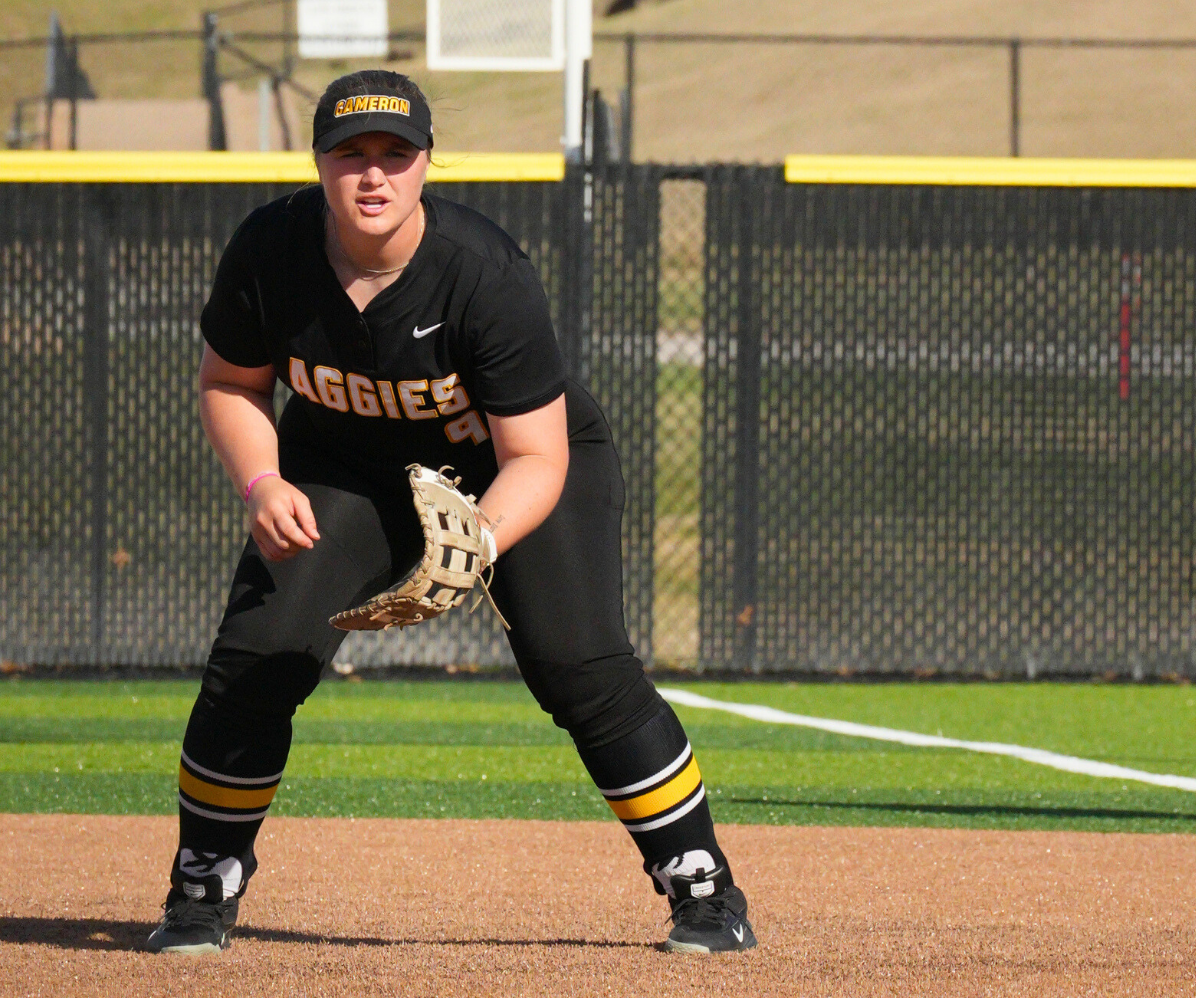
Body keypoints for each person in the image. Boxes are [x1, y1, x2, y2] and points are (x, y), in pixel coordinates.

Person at [142, 70, 755, 956]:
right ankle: (202, 886)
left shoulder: (481, 272)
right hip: (343, 465)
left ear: (428, 164)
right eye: (351, 155)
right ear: (318, 163)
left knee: (578, 665)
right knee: (259, 655)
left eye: (397, 154)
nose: (374, 175)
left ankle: (702, 888)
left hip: (512, 466)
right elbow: (230, 384)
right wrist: (263, 484)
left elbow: (537, 455)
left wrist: (479, 543)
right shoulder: (270, 251)